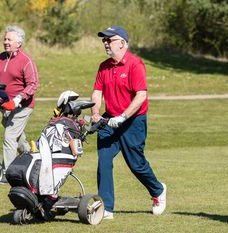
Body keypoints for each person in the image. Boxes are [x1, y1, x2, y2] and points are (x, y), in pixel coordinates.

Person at [90, 26, 166, 219]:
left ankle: (157, 190)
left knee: (136, 164)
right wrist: (96, 112)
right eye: (104, 40)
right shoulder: (104, 66)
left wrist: (123, 117)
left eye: (109, 40)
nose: (105, 43)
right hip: (109, 120)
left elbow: (141, 96)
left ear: (122, 43)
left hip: (133, 121)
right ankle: (106, 208)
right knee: (104, 161)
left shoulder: (135, 64)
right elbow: (97, 92)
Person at [0, 25, 39, 183]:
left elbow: (33, 84)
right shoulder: (0, 58)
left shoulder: (26, 61)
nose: (5, 42)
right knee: (18, 140)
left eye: (9, 39)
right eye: (5, 39)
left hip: (23, 107)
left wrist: (18, 99)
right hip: (4, 106)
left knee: (9, 137)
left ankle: (7, 174)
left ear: (19, 43)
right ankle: (33, 155)